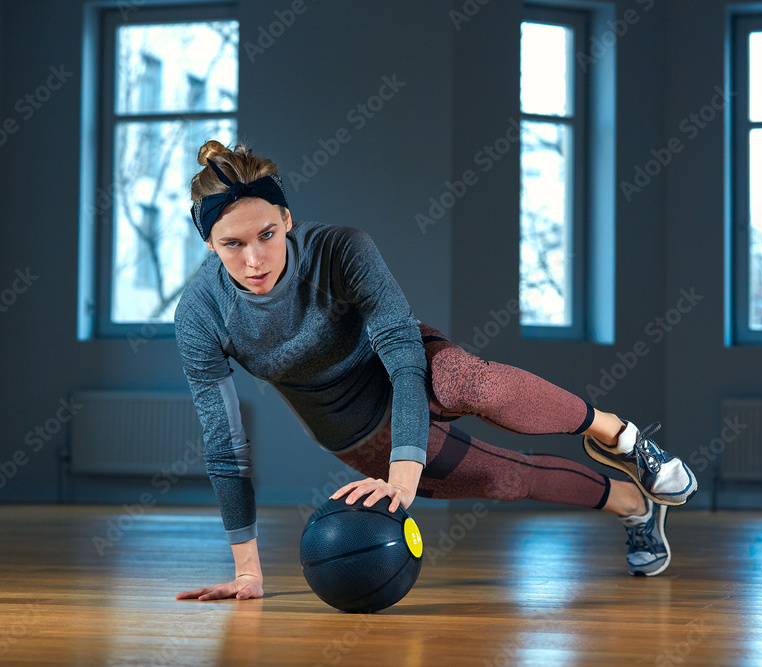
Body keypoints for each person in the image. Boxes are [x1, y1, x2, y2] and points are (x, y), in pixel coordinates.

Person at [174, 141, 697, 602]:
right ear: (210, 246)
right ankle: (636, 507)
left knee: (477, 383)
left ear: (286, 218)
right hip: (357, 431)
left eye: (266, 233)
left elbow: (402, 355)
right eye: (233, 245)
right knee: (506, 479)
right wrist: (247, 571)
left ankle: (622, 437)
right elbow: (225, 445)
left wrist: (405, 474)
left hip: (407, 366)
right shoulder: (201, 312)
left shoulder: (340, 249)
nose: (255, 259)